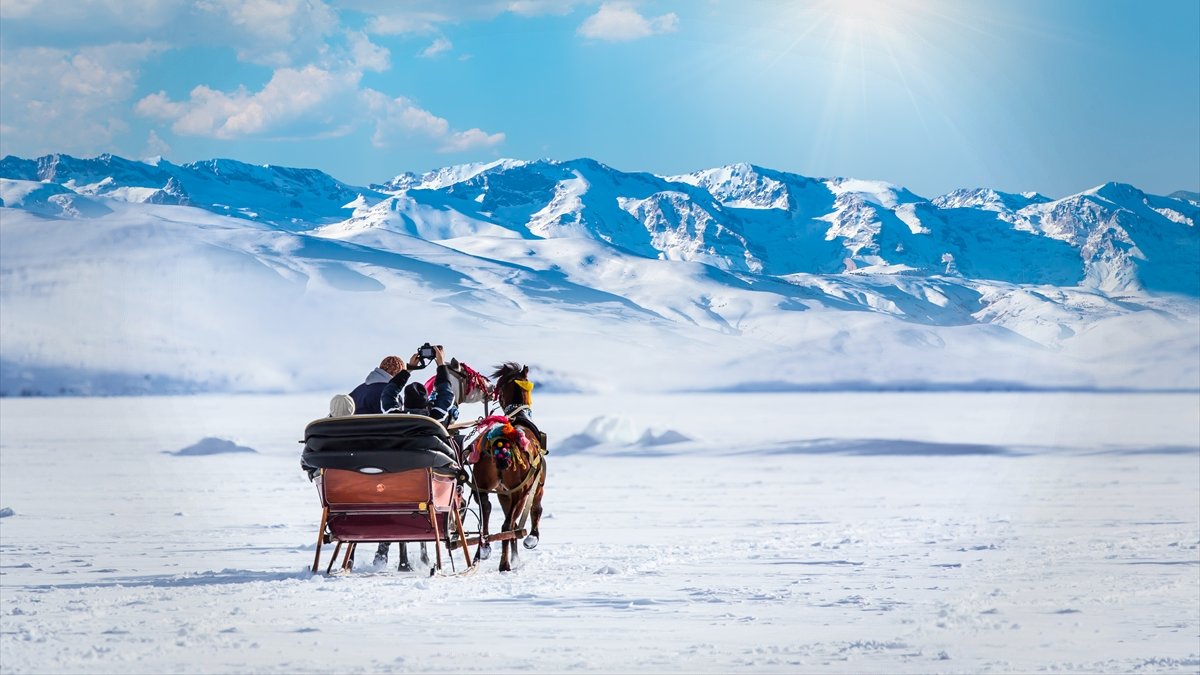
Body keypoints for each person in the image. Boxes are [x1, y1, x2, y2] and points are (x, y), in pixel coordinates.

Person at [381, 345, 457, 423]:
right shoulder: (434, 419)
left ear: (405, 402)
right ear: (426, 402)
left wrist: (408, 369)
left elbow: (388, 392)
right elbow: (446, 394)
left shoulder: (397, 420)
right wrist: (441, 364)